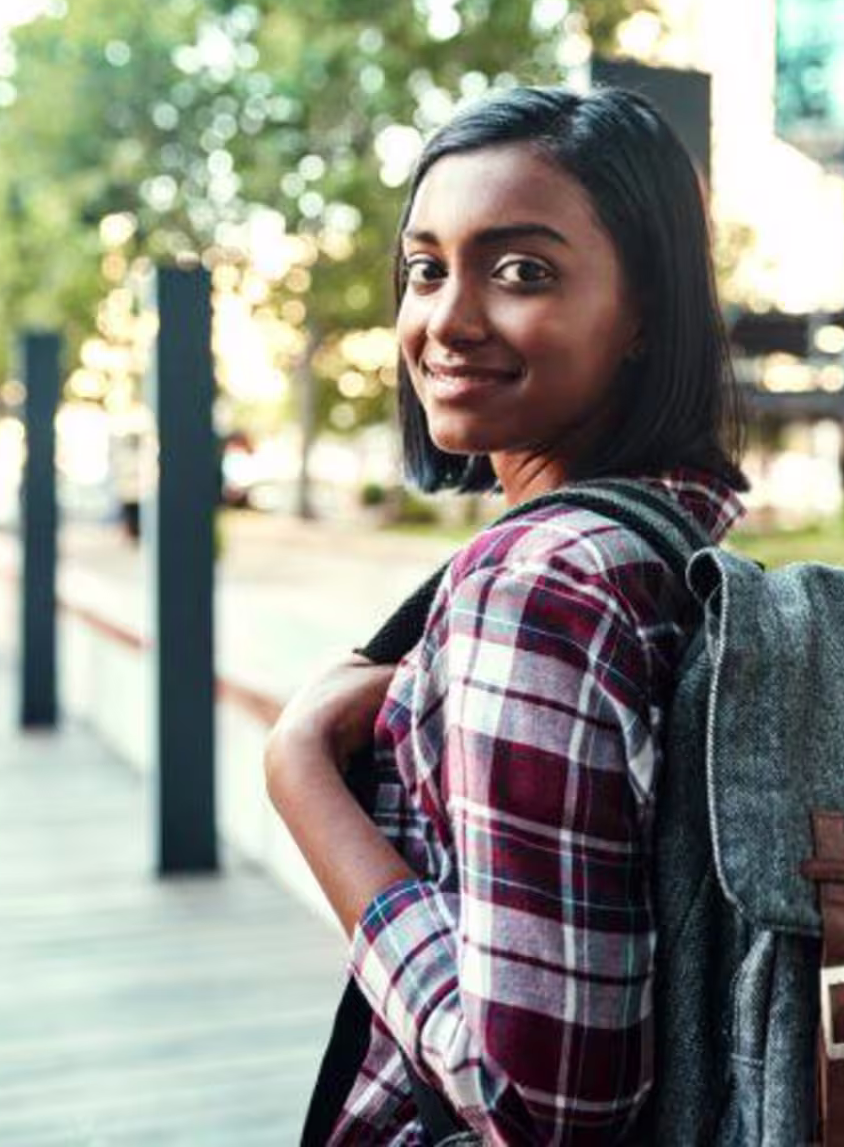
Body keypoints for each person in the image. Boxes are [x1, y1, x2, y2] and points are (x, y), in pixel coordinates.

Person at [264, 85, 750, 1145]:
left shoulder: (540, 585)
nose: (447, 321)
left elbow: (542, 1110)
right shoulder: (678, 549)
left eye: (522, 271)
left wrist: (303, 777)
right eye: (426, 270)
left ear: (643, 316)